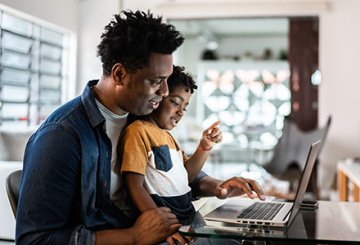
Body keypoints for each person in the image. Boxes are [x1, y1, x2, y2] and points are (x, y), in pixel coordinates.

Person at [16, 10, 264, 245]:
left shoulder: (140, 116)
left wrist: (219, 187)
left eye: (167, 80)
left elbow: (172, 172)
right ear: (120, 75)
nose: (165, 92)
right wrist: (133, 237)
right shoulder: (62, 137)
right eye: (156, 81)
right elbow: (35, 239)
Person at [119, 66, 222, 245]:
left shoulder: (168, 137)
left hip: (189, 218)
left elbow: (186, 177)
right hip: (168, 229)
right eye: (175, 102)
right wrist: (162, 227)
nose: (181, 111)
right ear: (157, 98)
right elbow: (134, 186)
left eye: (185, 107)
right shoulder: (138, 131)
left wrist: (204, 147)